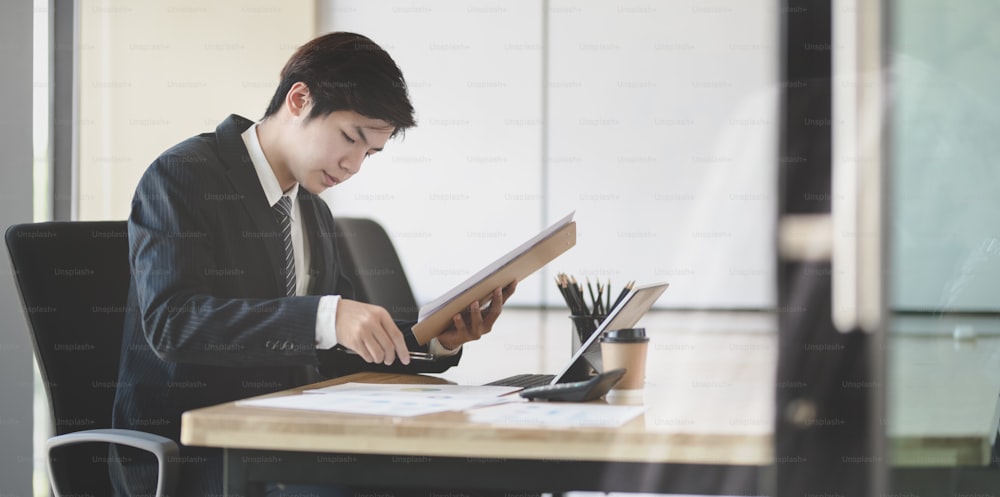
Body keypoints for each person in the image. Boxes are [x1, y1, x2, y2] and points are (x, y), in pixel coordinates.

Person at [110, 32, 516, 497]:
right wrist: (325, 316)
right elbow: (172, 324)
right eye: (350, 138)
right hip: (197, 454)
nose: (353, 166)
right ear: (299, 99)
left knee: (483, 473)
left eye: (369, 153)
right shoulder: (182, 175)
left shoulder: (312, 210)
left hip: (290, 435)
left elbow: (335, 343)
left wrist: (435, 341)